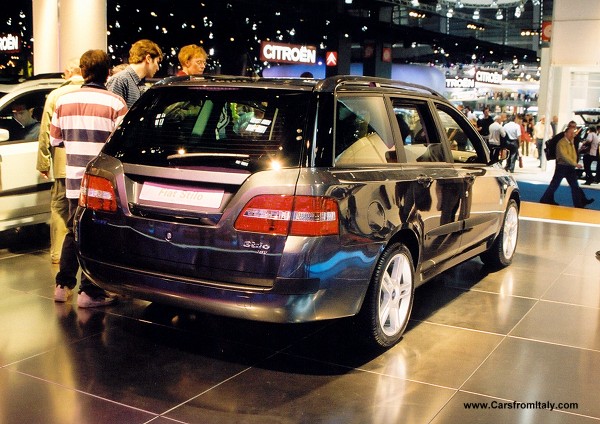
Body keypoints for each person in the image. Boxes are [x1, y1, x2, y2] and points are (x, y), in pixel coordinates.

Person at [51, 49, 128, 307]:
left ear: (83, 71)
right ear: (107, 72)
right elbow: (121, 144)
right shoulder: (116, 103)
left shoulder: (63, 101)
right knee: (97, 236)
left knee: (74, 232)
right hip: (101, 184)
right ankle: (90, 291)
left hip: (74, 181)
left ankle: (62, 286)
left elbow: (56, 140)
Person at [36, 58, 84, 264]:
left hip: (64, 163)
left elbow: (46, 131)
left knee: (59, 207)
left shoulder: (57, 95)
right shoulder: (102, 93)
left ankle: (58, 254)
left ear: (67, 73)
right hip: (92, 163)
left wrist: (43, 163)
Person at [539, 121, 594, 208]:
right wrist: (575, 163)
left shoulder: (571, 141)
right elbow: (564, 156)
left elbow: (574, 153)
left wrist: (574, 162)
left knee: (573, 186)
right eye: (571, 131)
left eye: (574, 129)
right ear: (566, 132)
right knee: (555, 184)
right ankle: (545, 199)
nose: (573, 133)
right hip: (562, 166)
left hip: (569, 166)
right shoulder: (561, 142)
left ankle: (579, 203)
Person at [106, 39, 163, 108]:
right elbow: (111, 113)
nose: (158, 68)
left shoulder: (137, 83)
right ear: (148, 59)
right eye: (157, 62)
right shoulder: (120, 80)